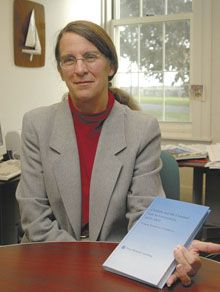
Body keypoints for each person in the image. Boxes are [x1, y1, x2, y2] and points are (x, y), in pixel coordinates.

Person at [16, 20, 220, 287]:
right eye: (69, 60)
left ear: (110, 67)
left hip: (116, 261)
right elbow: (34, 217)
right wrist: (79, 269)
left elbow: (144, 217)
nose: (80, 69)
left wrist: (166, 252)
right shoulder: (36, 124)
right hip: (49, 258)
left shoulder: (141, 129)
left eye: (90, 57)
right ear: (60, 70)